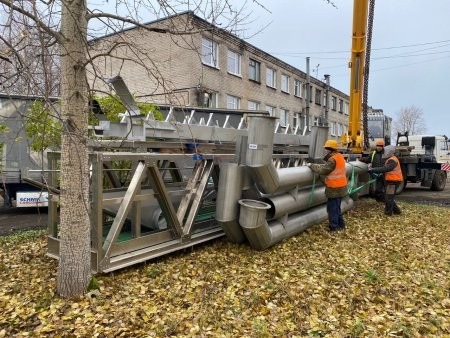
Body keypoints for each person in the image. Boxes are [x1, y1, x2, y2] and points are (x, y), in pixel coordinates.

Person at [307, 139, 348, 231]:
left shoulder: (332, 160)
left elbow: (323, 170)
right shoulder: (339, 156)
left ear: (330, 149)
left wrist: (311, 165)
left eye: (326, 149)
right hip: (341, 187)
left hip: (335, 188)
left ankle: (334, 227)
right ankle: (341, 225)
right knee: (337, 208)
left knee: (332, 209)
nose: (325, 150)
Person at [368, 145, 403, 216]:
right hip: (392, 180)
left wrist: (372, 170)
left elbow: (385, 169)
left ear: (389, 152)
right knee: (389, 197)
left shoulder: (392, 160)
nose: (384, 153)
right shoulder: (391, 159)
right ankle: (397, 211)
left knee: (389, 197)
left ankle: (388, 213)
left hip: (393, 181)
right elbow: (384, 169)